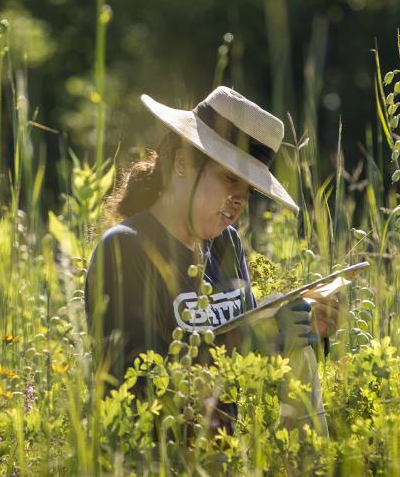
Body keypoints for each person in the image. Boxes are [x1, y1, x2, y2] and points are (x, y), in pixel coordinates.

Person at [84, 86, 341, 431]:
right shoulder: (125, 249)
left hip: (229, 452)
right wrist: (252, 341)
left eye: (249, 190)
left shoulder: (226, 245)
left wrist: (306, 334)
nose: (239, 200)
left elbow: (254, 371)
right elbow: (134, 392)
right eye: (230, 179)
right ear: (182, 163)